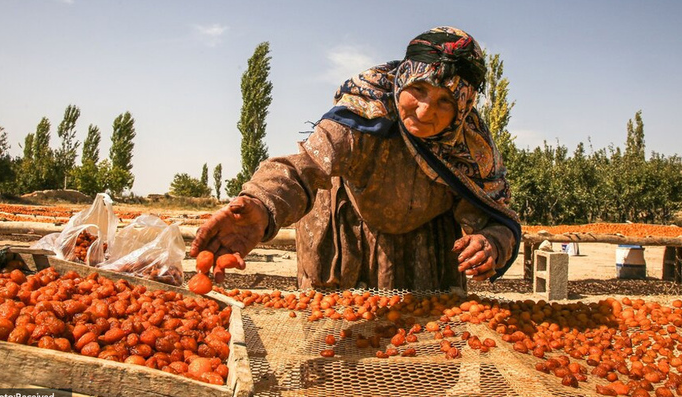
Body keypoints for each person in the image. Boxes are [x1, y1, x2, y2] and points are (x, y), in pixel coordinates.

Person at [191, 26, 522, 291]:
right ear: (403, 79)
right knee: (334, 346)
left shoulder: (469, 149)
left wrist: (490, 242)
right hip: (344, 239)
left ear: (462, 108)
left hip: (423, 251)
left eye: (444, 102)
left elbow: (495, 218)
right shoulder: (367, 113)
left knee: (417, 351)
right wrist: (261, 206)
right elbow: (301, 168)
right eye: (418, 90)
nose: (424, 111)